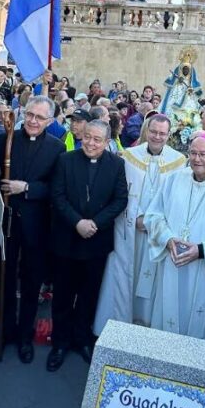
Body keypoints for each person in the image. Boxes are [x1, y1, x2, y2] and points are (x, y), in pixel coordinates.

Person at [141, 134, 205, 341]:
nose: (197, 159)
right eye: (193, 153)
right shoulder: (173, 180)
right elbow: (153, 216)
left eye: (203, 154)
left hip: (204, 271)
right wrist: (168, 239)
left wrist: (200, 251)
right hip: (172, 263)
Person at [0, 96, 65, 362]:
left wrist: (27, 187)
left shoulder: (56, 148)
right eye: (30, 114)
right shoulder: (4, 140)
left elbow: (57, 188)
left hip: (36, 224)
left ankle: (25, 335)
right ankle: (4, 331)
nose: (33, 121)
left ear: (50, 121)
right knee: (4, 279)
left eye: (40, 117)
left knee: (32, 282)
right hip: (5, 222)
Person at [47, 120, 127, 371]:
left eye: (97, 140)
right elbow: (57, 196)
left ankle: (82, 339)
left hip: (96, 241)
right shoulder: (66, 159)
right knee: (62, 294)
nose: (91, 143)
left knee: (89, 294)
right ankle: (59, 342)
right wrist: (78, 222)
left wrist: (95, 223)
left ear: (106, 142)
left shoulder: (117, 164)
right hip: (66, 239)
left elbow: (120, 199)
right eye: (88, 137)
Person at [95, 114, 186, 333]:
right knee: (125, 274)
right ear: (147, 130)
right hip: (129, 229)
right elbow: (119, 192)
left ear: (168, 134)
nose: (157, 136)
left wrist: (153, 223)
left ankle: (147, 328)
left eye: (162, 133)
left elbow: (177, 200)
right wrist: (136, 217)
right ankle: (116, 327)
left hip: (159, 233)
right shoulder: (128, 157)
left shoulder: (179, 162)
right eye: (153, 131)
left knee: (153, 279)